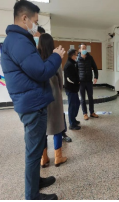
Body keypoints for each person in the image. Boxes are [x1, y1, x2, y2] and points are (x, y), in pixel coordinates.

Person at [0, 0, 65, 200]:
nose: (35, 26)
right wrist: (56, 56)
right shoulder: (19, 42)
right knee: (33, 152)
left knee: (35, 149)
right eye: (35, 22)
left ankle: (36, 182)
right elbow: (41, 71)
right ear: (24, 18)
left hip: (31, 101)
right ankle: (32, 195)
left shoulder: (17, 40)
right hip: (32, 105)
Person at [38, 34, 68, 169]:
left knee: (42, 129)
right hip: (54, 97)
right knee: (57, 127)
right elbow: (61, 81)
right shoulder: (55, 59)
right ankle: (58, 157)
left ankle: (44, 158)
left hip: (40, 98)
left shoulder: (36, 60)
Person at [77, 44, 99, 121]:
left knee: (90, 97)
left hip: (89, 81)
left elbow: (95, 68)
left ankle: (92, 112)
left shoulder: (90, 58)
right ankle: (85, 113)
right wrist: (77, 80)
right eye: (83, 48)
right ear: (79, 50)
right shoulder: (77, 59)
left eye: (85, 48)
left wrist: (96, 77)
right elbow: (75, 70)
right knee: (82, 98)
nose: (84, 49)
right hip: (81, 82)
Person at [64, 49, 81, 131]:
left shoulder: (73, 63)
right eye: (76, 55)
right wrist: (77, 81)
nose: (77, 56)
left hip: (74, 89)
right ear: (72, 55)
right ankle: (72, 124)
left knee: (77, 104)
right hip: (70, 89)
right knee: (72, 106)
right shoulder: (69, 65)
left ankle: (73, 119)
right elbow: (69, 78)